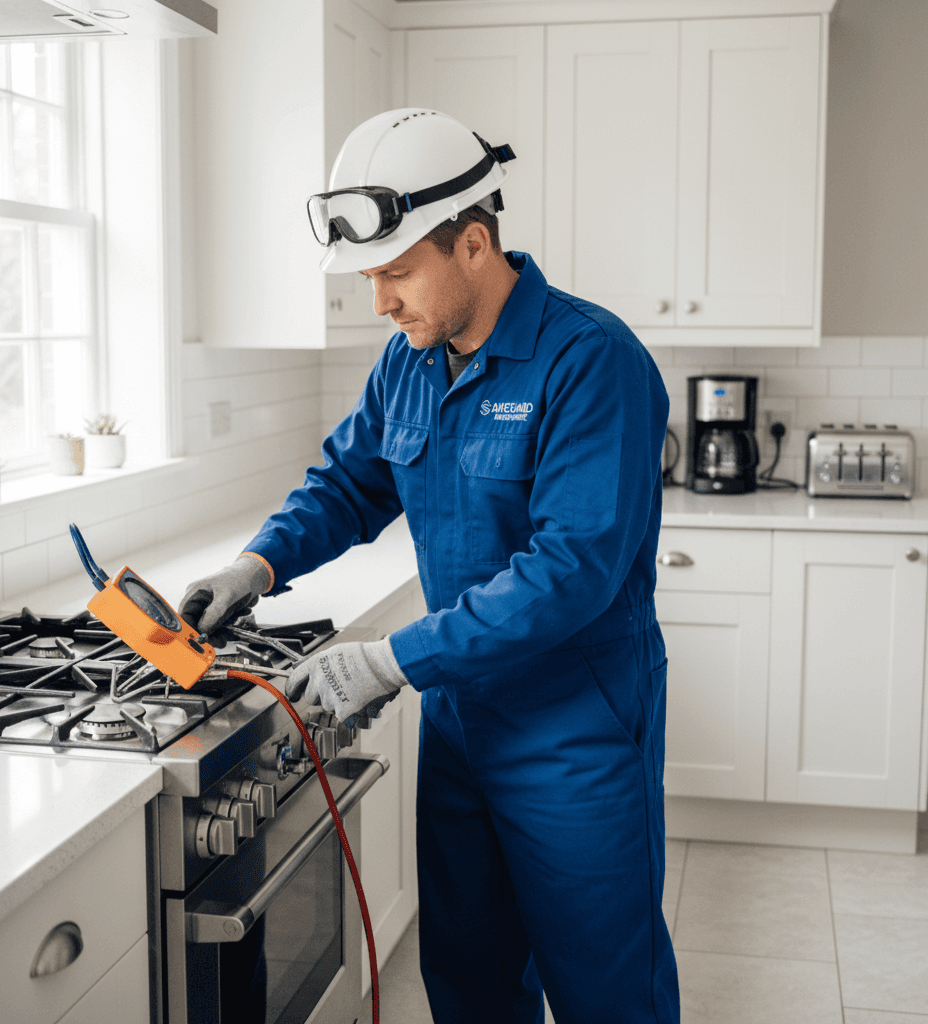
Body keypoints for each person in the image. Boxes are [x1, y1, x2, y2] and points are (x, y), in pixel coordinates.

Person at [180, 108, 680, 1024]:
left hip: (576, 731)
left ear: (475, 244)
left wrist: (389, 659)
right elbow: (347, 484)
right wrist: (257, 566)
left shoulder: (591, 360)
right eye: (372, 277)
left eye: (397, 274)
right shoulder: (409, 360)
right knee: (468, 980)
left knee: (608, 993)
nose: (380, 302)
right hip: (460, 725)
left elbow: (571, 569)